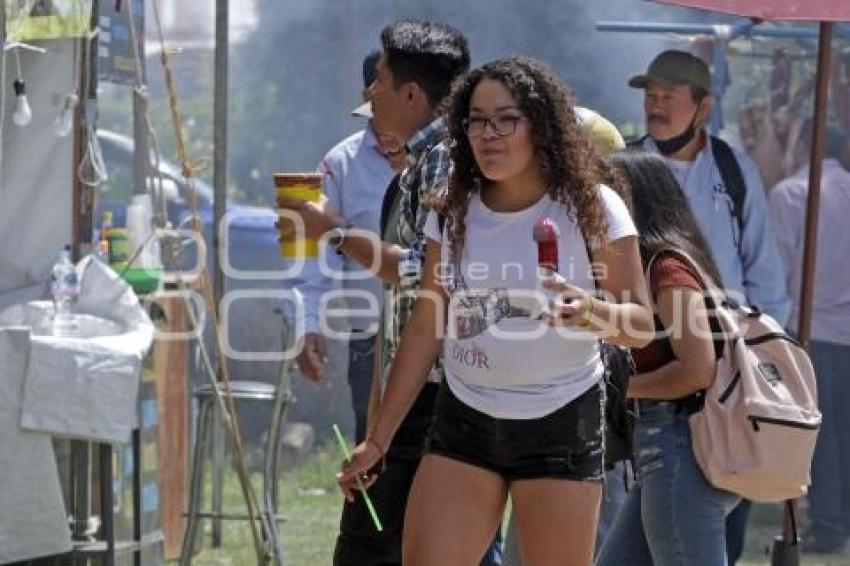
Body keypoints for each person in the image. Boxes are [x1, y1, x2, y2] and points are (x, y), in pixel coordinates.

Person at [338, 57, 653, 566]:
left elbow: (640, 325)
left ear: (541, 126)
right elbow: (424, 328)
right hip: (465, 418)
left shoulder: (593, 206)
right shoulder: (455, 211)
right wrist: (377, 441)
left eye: (506, 119)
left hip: (561, 421)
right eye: (477, 120)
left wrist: (591, 311)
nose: (489, 133)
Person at [279, 20, 500, 566]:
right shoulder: (408, 163)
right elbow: (401, 303)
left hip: (440, 393)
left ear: (410, 94)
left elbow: (423, 276)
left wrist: (328, 229)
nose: (369, 95)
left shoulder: (447, 160)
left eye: (378, 81)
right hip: (407, 379)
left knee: (378, 550)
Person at [628, 49, 791, 562]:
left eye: (669, 97)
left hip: (732, 366)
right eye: (650, 95)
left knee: (726, 508)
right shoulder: (630, 167)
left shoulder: (732, 168)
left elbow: (763, 267)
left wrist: (766, 358)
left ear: (702, 106)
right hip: (661, 360)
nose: (656, 106)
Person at [596, 150, 742, 566]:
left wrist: (622, 388)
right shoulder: (662, 265)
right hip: (668, 449)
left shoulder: (666, 270)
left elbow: (696, 370)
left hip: (678, 444)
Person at [291, 50, 401, 446]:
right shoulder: (340, 163)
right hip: (370, 343)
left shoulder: (452, 161)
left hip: (445, 344)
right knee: (372, 458)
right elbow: (313, 258)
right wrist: (308, 324)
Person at [769, 119, 850, 555]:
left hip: (811, 328)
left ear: (803, 142)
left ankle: (832, 525)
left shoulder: (791, 193)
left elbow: (778, 266)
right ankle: (839, 520)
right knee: (844, 430)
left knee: (819, 433)